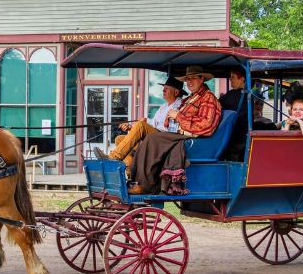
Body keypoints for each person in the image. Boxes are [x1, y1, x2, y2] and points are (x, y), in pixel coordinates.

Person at [128, 65, 222, 194]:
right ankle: (133, 176)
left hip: (194, 138)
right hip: (180, 133)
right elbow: (173, 118)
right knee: (148, 138)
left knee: (152, 138)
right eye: (187, 79)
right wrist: (171, 117)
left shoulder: (208, 98)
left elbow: (206, 125)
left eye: (193, 78)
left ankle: (144, 185)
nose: (189, 82)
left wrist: (178, 116)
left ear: (202, 79)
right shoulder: (192, 98)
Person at [94, 75, 184, 161]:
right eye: (164, 88)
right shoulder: (164, 106)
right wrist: (132, 127)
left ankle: (113, 157)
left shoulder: (178, 106)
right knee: (119, 139)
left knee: (141, 125)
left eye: (167, 88)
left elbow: (168, 128)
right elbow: (153, 123)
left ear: (176, 92)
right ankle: (129, 169)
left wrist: (146, 121)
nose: (163, 90)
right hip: (155, 137)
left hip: (165, 140)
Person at [218, 68, 249, 160]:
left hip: (235, 138)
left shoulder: (233, 95)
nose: (230, 79)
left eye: (233, 77)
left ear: (242, 79)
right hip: (244, 137)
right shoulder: (248, 95)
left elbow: (216, 104)